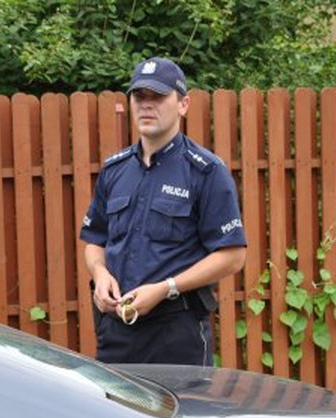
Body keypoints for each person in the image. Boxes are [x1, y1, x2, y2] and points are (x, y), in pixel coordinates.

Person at [79, 57, 246, 365]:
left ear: (183, 104)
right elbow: (95, 240)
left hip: (176, 334)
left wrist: (165, 289)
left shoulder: (206, 172)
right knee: (113, 415)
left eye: (158, 96)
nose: (146, 105)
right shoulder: (114, 171)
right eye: (139, 96)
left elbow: (233, 256)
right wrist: (100, 274)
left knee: (181, 414)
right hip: (117, 332)